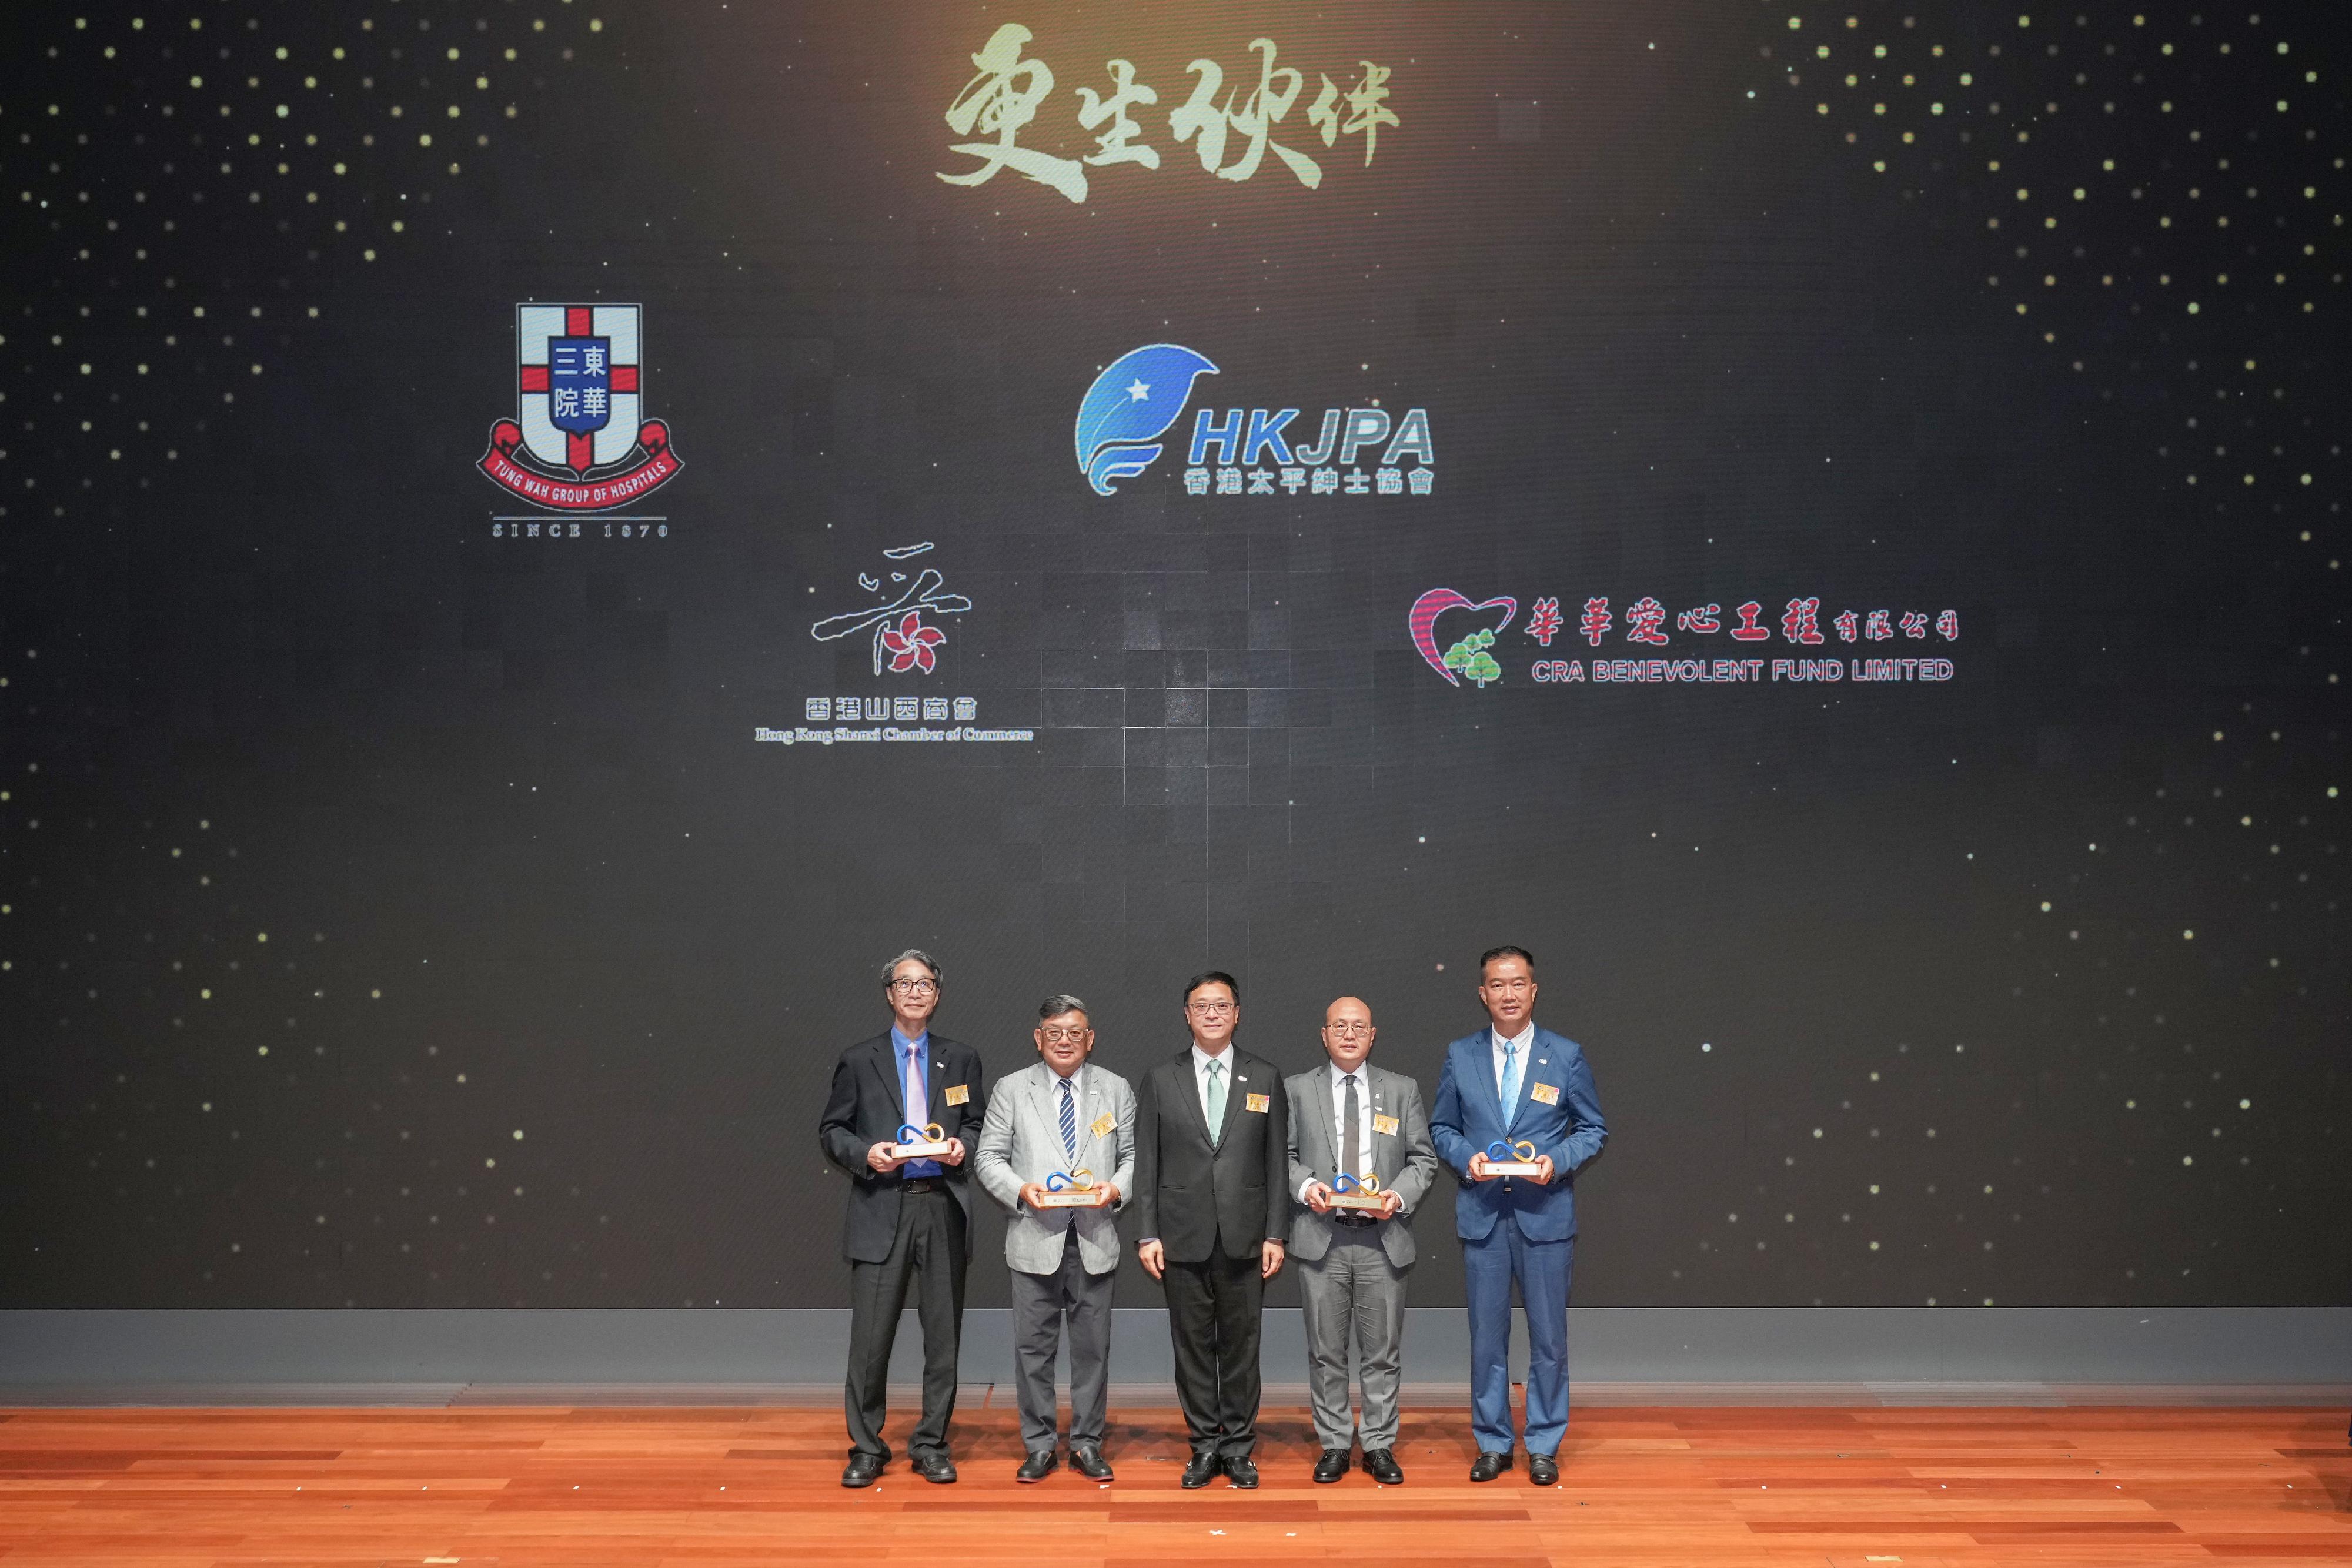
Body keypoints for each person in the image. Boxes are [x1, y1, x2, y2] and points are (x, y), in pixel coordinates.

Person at [1429, 945, 1606, 1486]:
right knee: (1488, 1338)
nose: (1508, 993)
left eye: (1518, 983)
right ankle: (1493, 1442)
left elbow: (1593, 1130)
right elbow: (1442, 1129)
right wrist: (1467, 1158)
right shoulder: (1461, 1055)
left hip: (1545, 1214)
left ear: (1534, 990)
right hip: (1483, 1213)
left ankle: (1545, 1442)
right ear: (1483, 993)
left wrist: (1557, 1161)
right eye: (1497, 985)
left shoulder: (1567, 1054)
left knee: (1550, 1338)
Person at [816, 950, 990, 1489]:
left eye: (926, 983)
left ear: (938, 994)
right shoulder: (858, 1058)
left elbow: (980, 1124)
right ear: (889, 993)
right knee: (871, 1338)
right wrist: (866, 1153)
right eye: (904, 982)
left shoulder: (961, 1058)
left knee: (943, 1336)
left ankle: (932, 1442)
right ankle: (867, 1446)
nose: (915, 991)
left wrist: (964, 1146)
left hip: (941, 1205)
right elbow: (832, 1130)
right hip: (881, 1204)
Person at [1131, 971, 1289, 1489]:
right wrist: (1147, 1233)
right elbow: (1147, 1162)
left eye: (1222, 1005)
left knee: (1242, 1345)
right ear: (1187, 1014)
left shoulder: (1265, 1076)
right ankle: (1203, 1445)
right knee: (1192, 1347)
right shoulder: (1161, 1077)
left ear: (1238, 1013)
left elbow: (1275, 1163)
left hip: (1247, 1235)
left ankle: (1239, 1447)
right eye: (1202, 1005)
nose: (1213, 1013)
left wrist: (1276, 1233)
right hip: (1180, 1236)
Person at [973, 994, 1135, 1483]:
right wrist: (1022, 1190)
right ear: (1038, 1038)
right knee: (1032, 1352)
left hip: (1094, 1238)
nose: (1065, 1041)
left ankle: (1087, 1443)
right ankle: (1040, 1444)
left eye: (1075, 1032)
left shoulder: (1116, 1088)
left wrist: (1115, 1190)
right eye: (1054, 1032)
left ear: (1090, 1038)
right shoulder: (1011, 1088)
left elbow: (1132, 1155)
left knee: (1092, 1352)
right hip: (1033, 1237)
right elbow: (987, 1157)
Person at [1284, 995, 1439, 1486]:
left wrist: (1397, 1195)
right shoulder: (1296, 1090)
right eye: (1339, 1026)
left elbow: (1424, 1160)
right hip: (1321, 1239)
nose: (1349, 1034)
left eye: (1359, 1027)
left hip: (1382, 1236)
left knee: (1382, 1351)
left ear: (1373, 1035)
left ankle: (1377, 1444)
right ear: (1324, 1034)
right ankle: (1333, 1442)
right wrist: (1308, 1187)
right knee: (1326, 1351)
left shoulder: (1402, 1089)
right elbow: (1281, 1157)